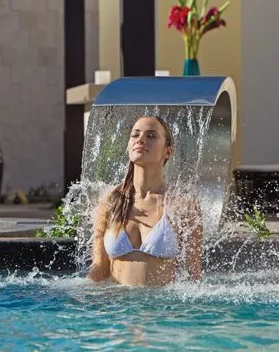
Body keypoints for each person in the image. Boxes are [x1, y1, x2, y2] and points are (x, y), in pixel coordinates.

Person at [87, 115, 203, 286]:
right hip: (115, 309)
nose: (140, 140)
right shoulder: (111, 201)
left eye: (151, 136)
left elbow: (193, 276)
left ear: (168, 151)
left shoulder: (182, 205)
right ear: (128, 146)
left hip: (162, 310)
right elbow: (99, 269)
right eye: (135, 135)